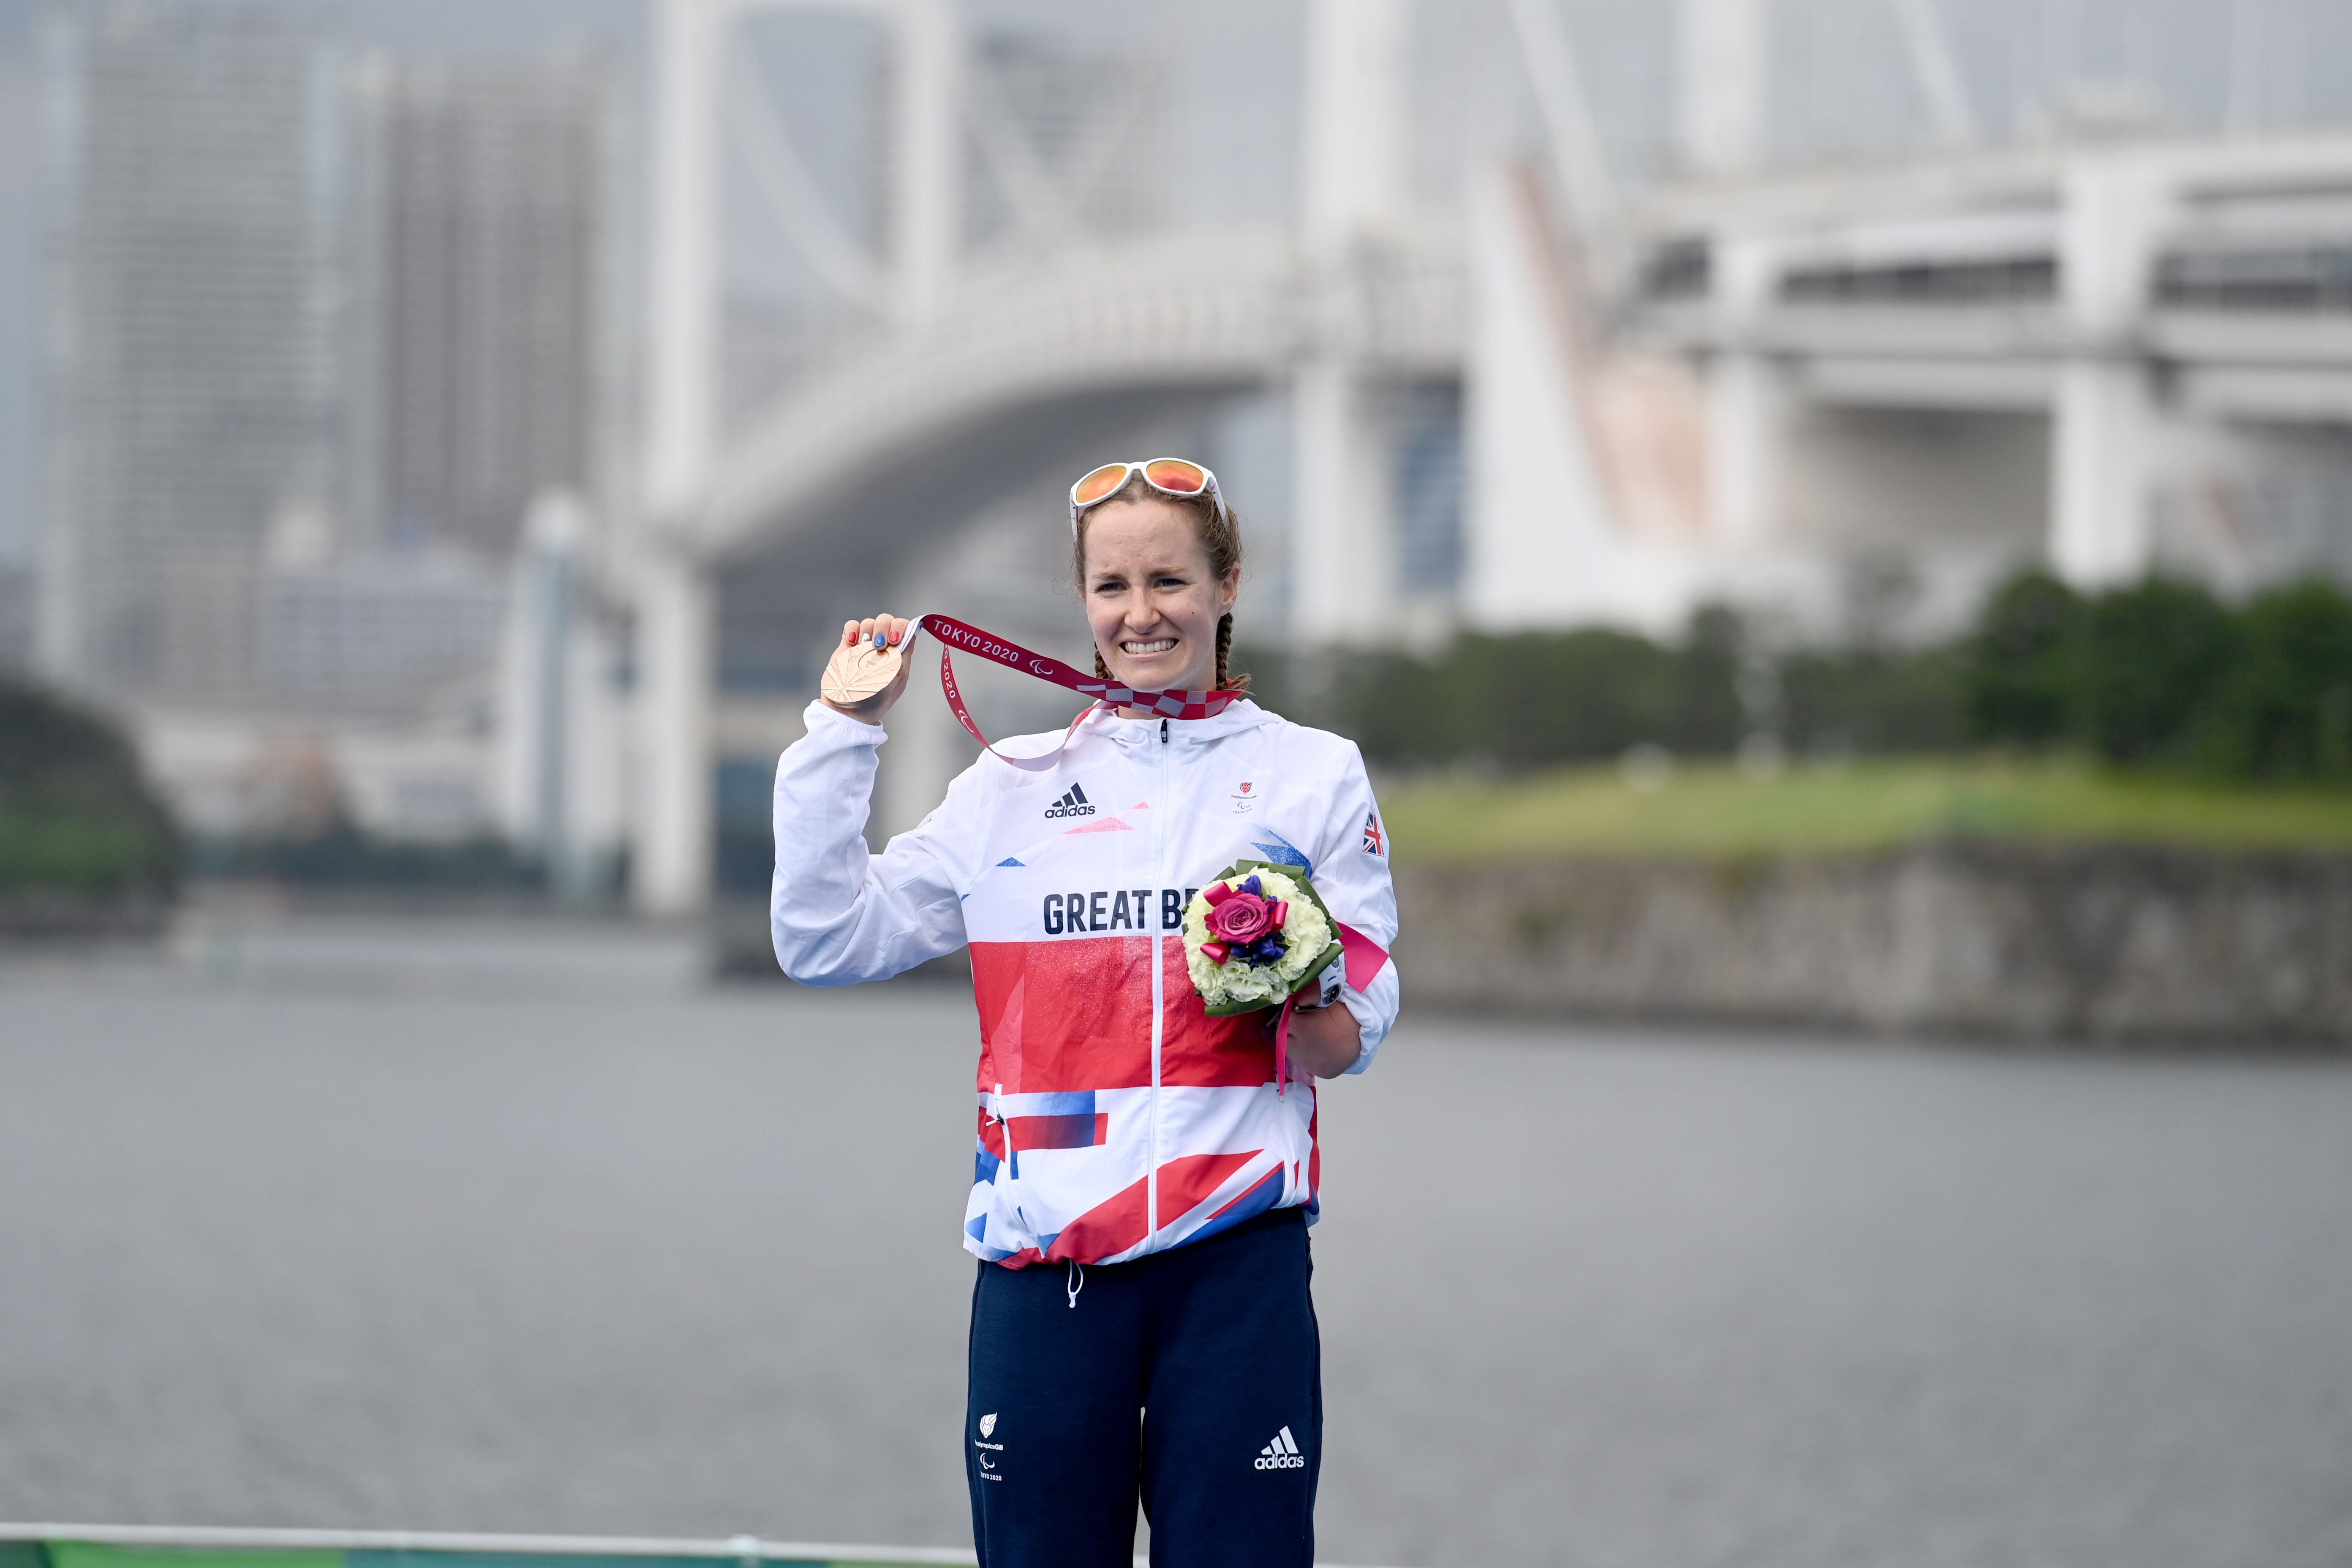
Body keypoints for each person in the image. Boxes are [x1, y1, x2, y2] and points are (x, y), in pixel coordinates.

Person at [769, 458, 1401, 1568]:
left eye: (1169, 580)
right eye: (1112, 587)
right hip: (1044, 1275)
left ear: (1228, 585)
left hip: (1235, 1267)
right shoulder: (1009, 784)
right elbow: (823, 940)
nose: (1141, 612)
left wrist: (1291, 997)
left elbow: (1355, 1028)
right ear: (1085, 604)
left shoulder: (1314, 773)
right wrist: (842, 732)